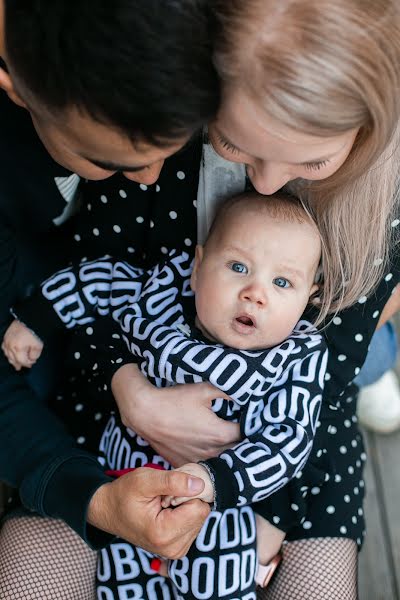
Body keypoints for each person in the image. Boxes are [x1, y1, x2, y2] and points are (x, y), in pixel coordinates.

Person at [1, 0, 400, 599]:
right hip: (111, 398)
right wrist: (132, 395)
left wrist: (271, 514)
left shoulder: (378, 200)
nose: (268, 181)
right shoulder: (160, 141)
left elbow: (329, 374)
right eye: (237, 144)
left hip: (296, 433)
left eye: (311, 160)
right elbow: (99, 285)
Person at [3, 191, 327, 598]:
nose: (254, 292)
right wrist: (37, 318)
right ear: (198, 267)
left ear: (306, 300)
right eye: (238, 266)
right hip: (121, 480)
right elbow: (100, 282)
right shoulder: (163, 295)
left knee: (218, 588)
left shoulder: (295, 355)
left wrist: (216, 481)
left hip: (218, 509)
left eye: (282, 282)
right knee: (119, 581)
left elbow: (288, 438)